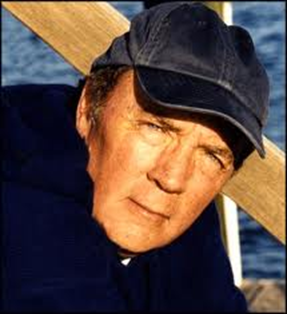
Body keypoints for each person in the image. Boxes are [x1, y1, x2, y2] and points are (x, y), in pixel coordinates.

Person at [2, 2, 270, 312]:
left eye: (211, 155)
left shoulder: (165, 198)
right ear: (88, 108)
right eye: (156, 127)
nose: (172, 178)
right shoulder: (22, 193)